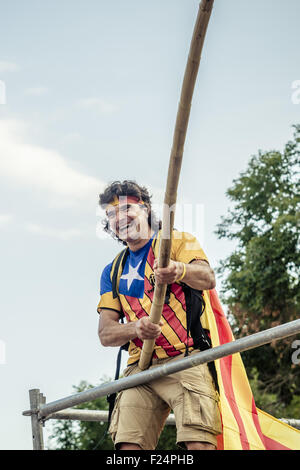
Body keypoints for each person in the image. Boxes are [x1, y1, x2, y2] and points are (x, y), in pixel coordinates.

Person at [97, 180, 221, 451]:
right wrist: (135, 329)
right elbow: (106, 334)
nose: (119, 218)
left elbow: (208, 279)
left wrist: (180, 270)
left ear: (146, 210)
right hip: (140, 367)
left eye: (127, 208)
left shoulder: (176, 241)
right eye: (111, 214)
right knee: (128, 448)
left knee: (199, 444)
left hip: (186, 358)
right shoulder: (112, 270)